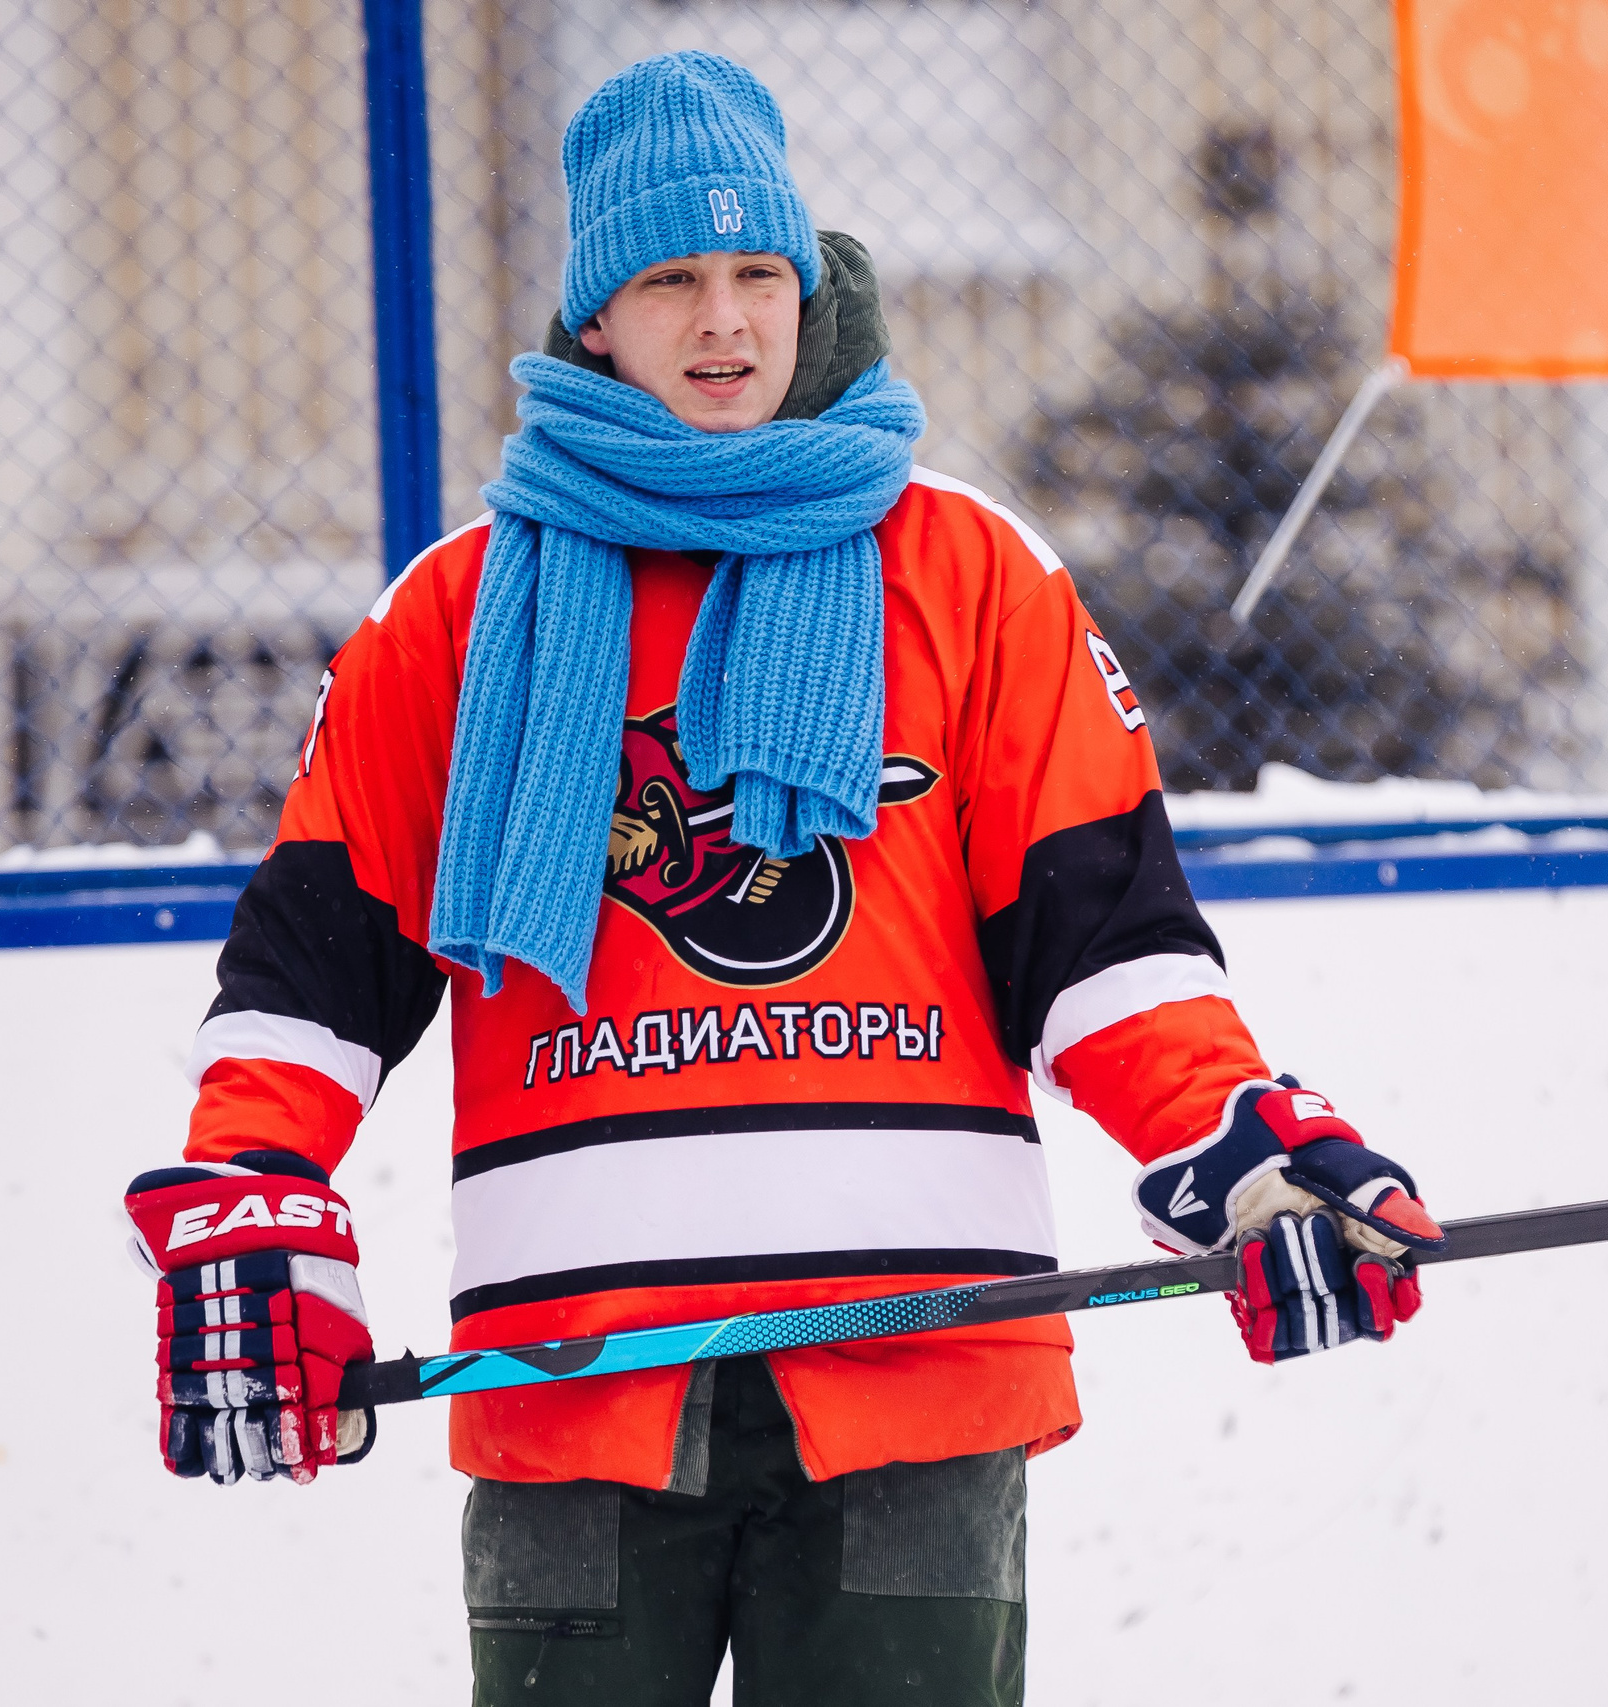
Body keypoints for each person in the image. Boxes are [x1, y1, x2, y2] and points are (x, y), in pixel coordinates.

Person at [120, 50, 1443, 1707]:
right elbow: (314, 979)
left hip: (914, 1371)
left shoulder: (967, 569)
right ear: (598, 314)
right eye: (672, 280)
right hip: (573, 1385)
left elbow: (1107, 943)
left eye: (759, 275)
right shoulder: (455, 620)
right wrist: (251, 1198)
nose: (725, 322)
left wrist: (1238, 1147)